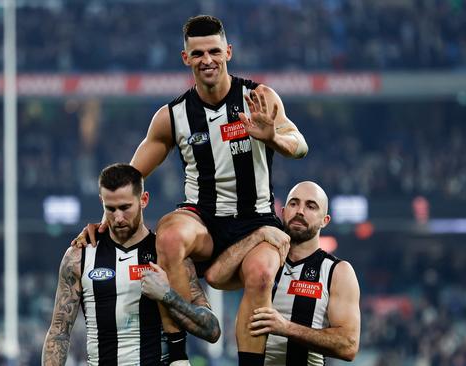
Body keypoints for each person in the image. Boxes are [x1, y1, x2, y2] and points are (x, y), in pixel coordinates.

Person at [74, 14, 308, 365]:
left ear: (228, 52)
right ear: (186, 58)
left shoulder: (258, 98)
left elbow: (300, 144)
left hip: (256, 220)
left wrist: (272, 136)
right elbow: (131, 177)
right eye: (197, 53)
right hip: (202, 219)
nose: (207, 60)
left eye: (214, 51)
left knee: (261, 274)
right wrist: (106, 218)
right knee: (167, 236)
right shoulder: (173, 116)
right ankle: (178, 354)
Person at [43, 164, 220, 366]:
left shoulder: (167, 254)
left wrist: (168, 296)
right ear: (102, 202)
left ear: (143, 200)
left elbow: (212, 330)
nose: (118, 218)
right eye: (110, 209)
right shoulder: (79, 256)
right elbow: (59, 333)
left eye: (125, 208)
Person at [205, 181, 361, 365]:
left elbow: (348, 346)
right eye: (294, 204)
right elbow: (215, 277)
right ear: (283, 211)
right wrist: (257, 235)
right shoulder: (261, 261)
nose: (300, 211)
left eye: (311, 206)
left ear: (324, 220)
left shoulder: (337, 272)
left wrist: (286, 328)